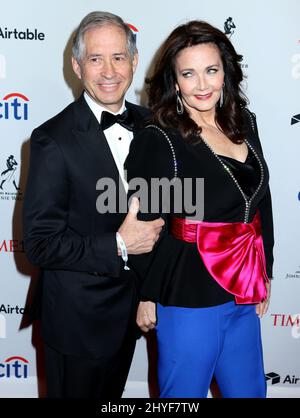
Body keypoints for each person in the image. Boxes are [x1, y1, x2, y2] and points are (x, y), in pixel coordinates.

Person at [125, 20, 274, 398]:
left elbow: (260, 200)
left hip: (242, 289)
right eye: (189, 74)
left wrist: (265, 269)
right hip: (188, 296)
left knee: (250, 392)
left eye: (211, 70)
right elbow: (145, 223)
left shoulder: (244, 121)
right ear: (175, 81)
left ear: (226, 72)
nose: (203, 85)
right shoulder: (160, 138)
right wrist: (148, 293)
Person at [23, 11, 164, 399]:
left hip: (131, 315)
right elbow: (39, 243)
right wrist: (119, 245)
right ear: (76, 66)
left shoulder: (154, 125)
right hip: (76, 325)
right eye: (95, 59)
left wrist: (151, 290)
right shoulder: (52, 140)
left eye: (118, 57)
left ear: (134, 62)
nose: (109, 71)